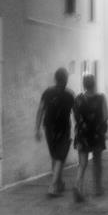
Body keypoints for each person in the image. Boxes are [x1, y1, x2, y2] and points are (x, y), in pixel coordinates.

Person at [35, 67, 75, 197]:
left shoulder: (47, 93)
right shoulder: (70, 94)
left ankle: (59, 183)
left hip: (49, 128)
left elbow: (40, 110)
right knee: (59, 157)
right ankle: (53, 186)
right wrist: (80, 128)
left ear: (55, 79)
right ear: (66, 80)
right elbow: (76, 113)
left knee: (56, 156)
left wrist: (37, 129)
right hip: (63, 129)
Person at [73, 73, 108, 202]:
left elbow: (76, 118)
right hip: (96, 134)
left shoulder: (78, 99)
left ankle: (78, 186)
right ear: (94, 84)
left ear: (84, 84)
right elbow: (106, 116)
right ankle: (97, 188)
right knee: (97, 162)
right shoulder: (100, 98)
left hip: (82, 134)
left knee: (82, 163)